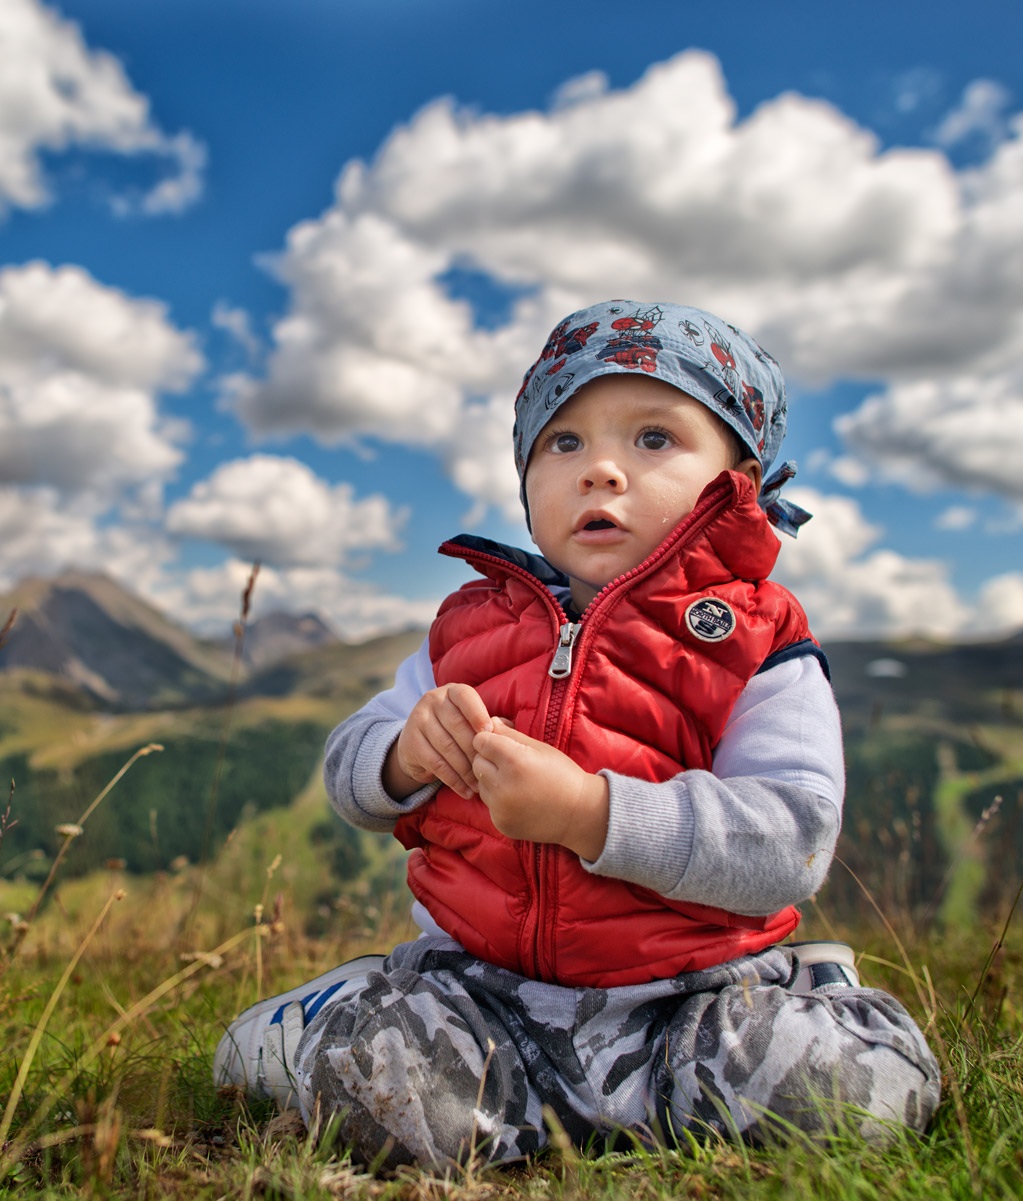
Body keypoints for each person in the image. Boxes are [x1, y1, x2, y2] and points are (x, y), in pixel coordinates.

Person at [213, 300, 940, 1170]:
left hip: (700, 997)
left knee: (840, 1098)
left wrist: (592, 814)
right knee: (386, 1086)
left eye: (654, 439)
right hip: (483, 998)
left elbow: (791, 840)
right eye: (563, 443)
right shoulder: (466, 629)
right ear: (527, 483)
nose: (600, 469)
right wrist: (404, 752)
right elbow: (347, 769)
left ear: (738, 478)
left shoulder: (759, 640)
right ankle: (347, 1017)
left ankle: (809, 1005)